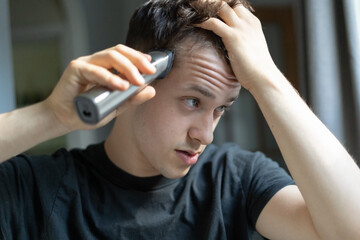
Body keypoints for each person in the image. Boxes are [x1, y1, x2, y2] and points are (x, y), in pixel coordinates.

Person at [1, 0, 359, 239]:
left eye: (221, 109)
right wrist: (50, 115)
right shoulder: (37, 189)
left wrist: (266, 77)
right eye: (193, 101)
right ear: (135, 80)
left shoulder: (237, 179)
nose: (205, 134)